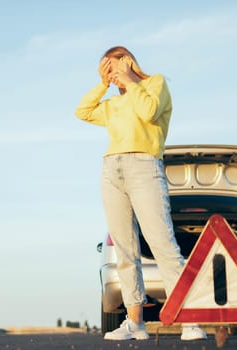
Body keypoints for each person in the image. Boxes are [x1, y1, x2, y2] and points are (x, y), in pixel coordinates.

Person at [74, 46, 207, 341]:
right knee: (124, 249)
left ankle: (189, 319)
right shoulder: (112, 105)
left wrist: (131, 77)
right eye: (106, 69)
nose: (113, 74)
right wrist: (102, 84)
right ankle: (135, 322)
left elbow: (148, 111)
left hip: (144, 166)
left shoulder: (155, 85)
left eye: (115, 66)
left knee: (164, 245)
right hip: (112, 170)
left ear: (129, 60)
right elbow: (81, 111)